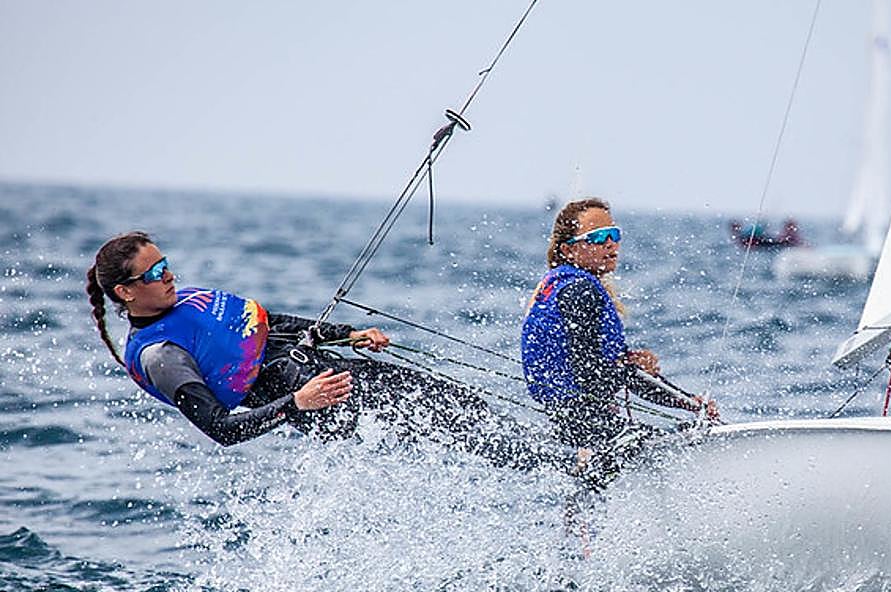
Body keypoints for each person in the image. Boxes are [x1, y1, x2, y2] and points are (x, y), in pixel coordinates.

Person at [86, 231, 555, 469]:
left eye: (165, 264)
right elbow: (221, 429)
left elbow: (269, 326)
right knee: (442, 421)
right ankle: (561, 463)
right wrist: (298, 404)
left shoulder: (188, 300)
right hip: (314, 400)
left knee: (449, 398)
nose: (167, 275)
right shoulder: (160, 355)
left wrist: (347, 334)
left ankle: (557, 453)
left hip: (326, 367)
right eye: (153, 273)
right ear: (126, 292)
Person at [521, 198, 717, 479]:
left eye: (614, 235)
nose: (611, 244)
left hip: (572, 421)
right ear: (568, 249)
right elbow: (590, 375)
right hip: (585, 423)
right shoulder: (580, 292)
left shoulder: (561, 284)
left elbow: (597, 366)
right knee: (671, 445)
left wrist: (630, 366)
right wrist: (684, 401)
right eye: (598, 238)